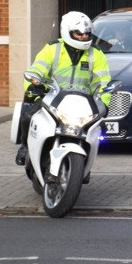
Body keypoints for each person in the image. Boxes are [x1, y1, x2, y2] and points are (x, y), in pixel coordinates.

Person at [15, 11, 112, 165]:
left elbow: (104, 82)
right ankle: (25, 147)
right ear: (66, 32)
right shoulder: (53, 49)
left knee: (97, 131)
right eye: (78, 33)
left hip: (83, 102)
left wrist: (104, 103)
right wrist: (35, 86)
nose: (83, 37)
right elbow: (35, 71)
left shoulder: (96, 54)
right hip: (54, 97)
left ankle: (85, 164)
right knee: (29, 116)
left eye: (86, 33)